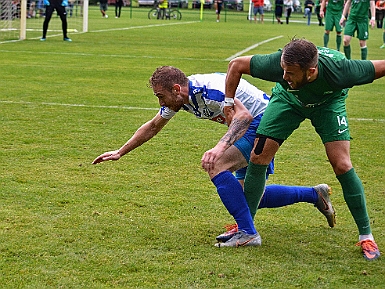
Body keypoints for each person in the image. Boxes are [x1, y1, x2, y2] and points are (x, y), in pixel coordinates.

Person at [92, 66, 336, 247]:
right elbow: (153, 126)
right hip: (249, 125)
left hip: (264, 122)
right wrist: (120, 152)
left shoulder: (208, 91)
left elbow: (244, 117)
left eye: (160, 96)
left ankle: (247, 234)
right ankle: (314, 195)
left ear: (176, 89)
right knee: (248, 196)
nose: (160, 101)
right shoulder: (181, 98)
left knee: (215, 164)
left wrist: (219, 147)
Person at [223, 38, 385, 259]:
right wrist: (227, 102)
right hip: (288, 100)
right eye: (283, 70)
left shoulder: (342, 70)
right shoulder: (279, 66)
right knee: (258, 156)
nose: (284, 76)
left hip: (328, 104)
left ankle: (366, 236)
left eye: (290, 73)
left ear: (310, 71)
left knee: (342, 164)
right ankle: (246, 229)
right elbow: (236, 65)